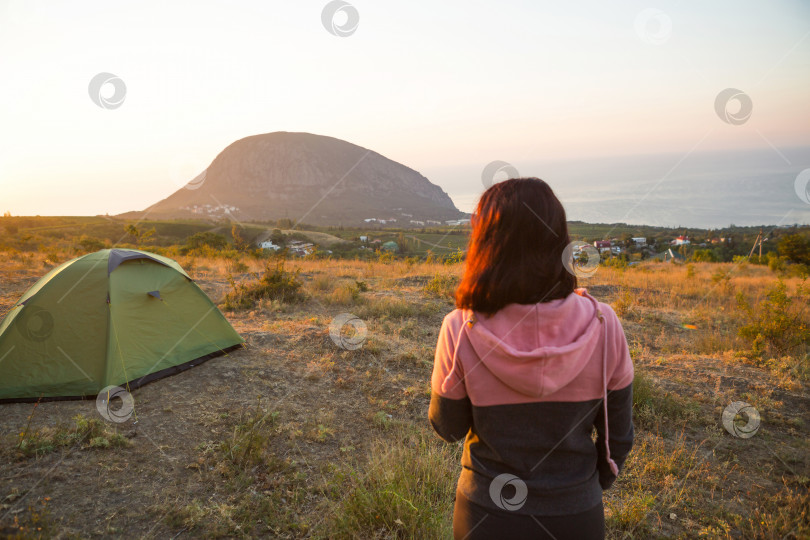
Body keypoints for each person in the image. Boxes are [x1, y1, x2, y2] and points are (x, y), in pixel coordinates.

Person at [429, 178, 634, 540]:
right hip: (577, 514)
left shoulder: (459, 326)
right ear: (559, 239)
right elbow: (618, 437)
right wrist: (585, 486)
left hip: (486, 514)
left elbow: (448, 427)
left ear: (486, 245)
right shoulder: (605, 323)